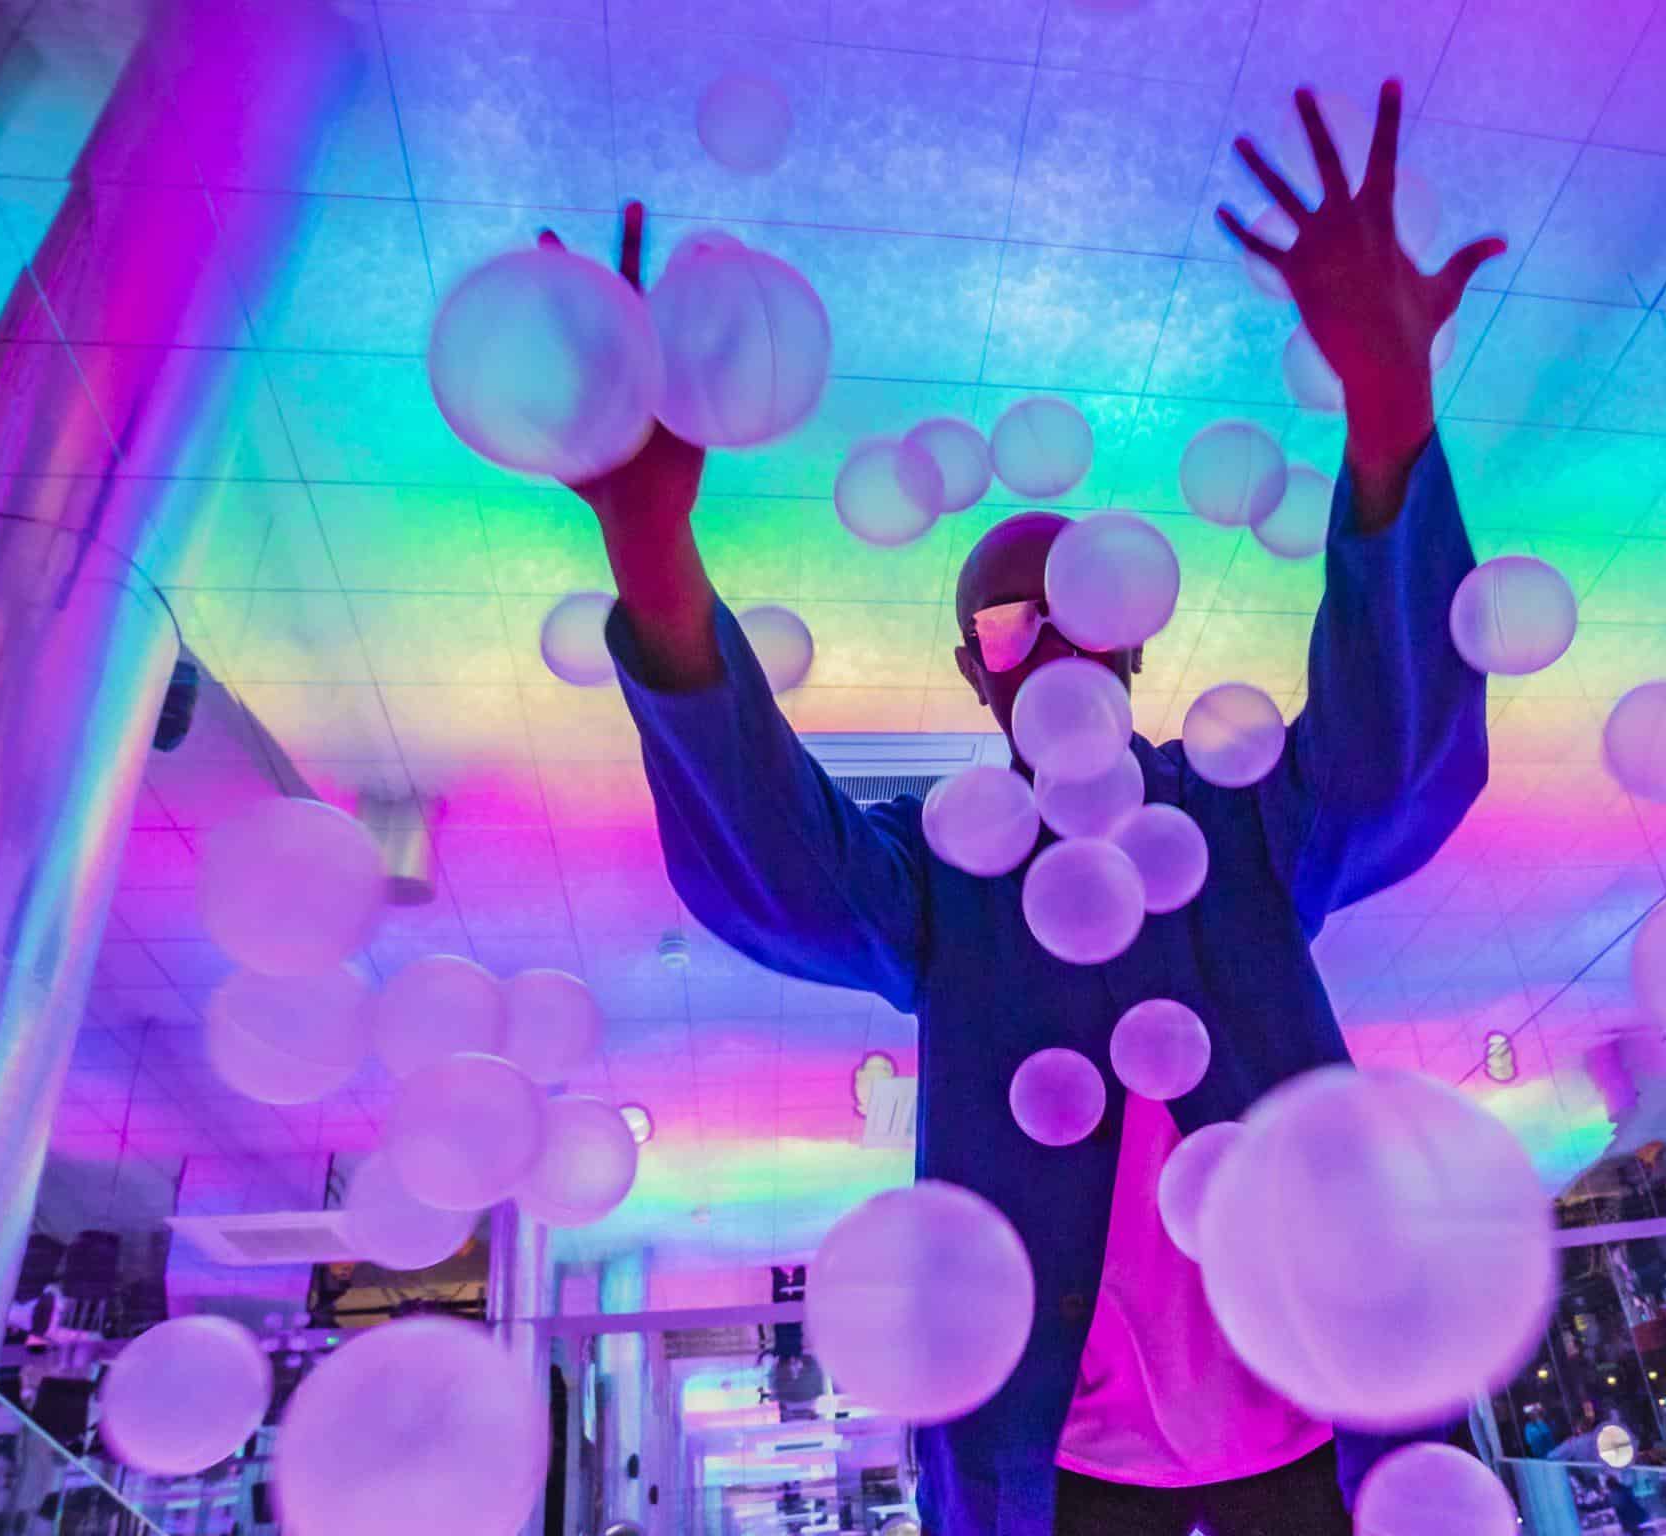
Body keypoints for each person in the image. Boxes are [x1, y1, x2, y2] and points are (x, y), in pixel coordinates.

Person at [580, 80, 1500, 1536]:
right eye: (1014, 626)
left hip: (1331, 1447)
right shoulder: (948, 883)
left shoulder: (1246, 820)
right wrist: (650, 552)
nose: (1056, 648)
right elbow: (775, 868)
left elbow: (1401, 760)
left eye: (1087, 616)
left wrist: (1389, 409)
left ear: (1138, 641)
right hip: (1059, 1481)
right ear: (970, 673)